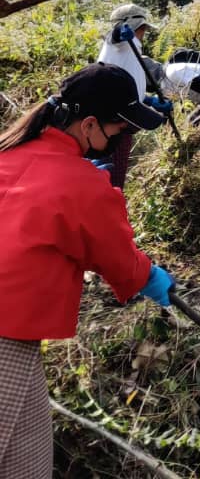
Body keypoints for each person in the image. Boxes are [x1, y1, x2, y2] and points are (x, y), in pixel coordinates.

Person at [0, 64, 174, 479]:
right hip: (6, 340)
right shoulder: (82, 184)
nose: (121, 141)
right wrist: (148, 276)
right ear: (91, 124)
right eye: (118, 131)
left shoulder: (7, 154)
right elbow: (117, 257)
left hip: (14, 337)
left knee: (27, 458)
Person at [95, 3, 173, 187]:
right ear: (137, 26)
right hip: (111, 121)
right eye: (143, 28)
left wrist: (149, 100)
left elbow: (127, 87)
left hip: (125, 120)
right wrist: (121, 31)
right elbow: (113, 36)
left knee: (117, 177)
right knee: (107, 178)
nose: (144, 32)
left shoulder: (132, 49)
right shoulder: (120, 43)